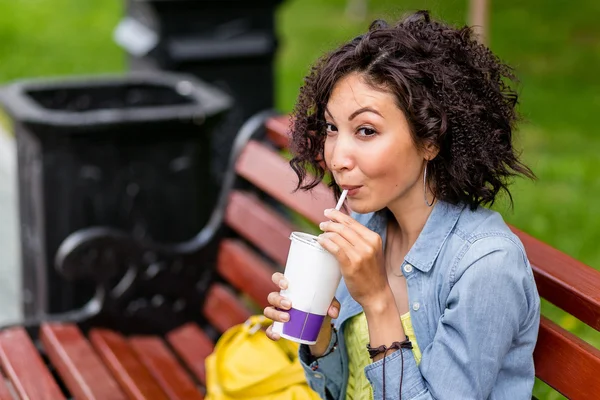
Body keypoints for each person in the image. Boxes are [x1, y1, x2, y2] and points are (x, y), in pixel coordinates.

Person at [263, 10, 541, 400]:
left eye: (366, 130)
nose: (337, 156)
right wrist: (320, 334)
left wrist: (378, 301)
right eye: (331, 128)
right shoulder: (367, 223)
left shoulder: (485, 266)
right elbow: (339, 388)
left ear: (431, 140)